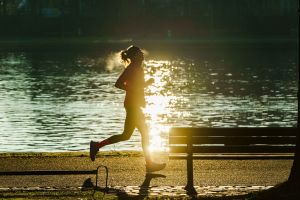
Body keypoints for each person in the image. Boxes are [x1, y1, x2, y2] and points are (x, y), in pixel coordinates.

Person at [90, 45, 166, 173]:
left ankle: (97, 145)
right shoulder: (131, 69)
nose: (142, 54)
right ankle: (96, 145)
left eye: (142, 52)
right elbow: (118, 84)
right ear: (135, 56)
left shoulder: (138, 68)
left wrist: (144, 87)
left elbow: (137, 85)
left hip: (135, 105)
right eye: (140, 53)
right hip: (132, 105)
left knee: (129, 135)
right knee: (139, 134)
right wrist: (141, 86)